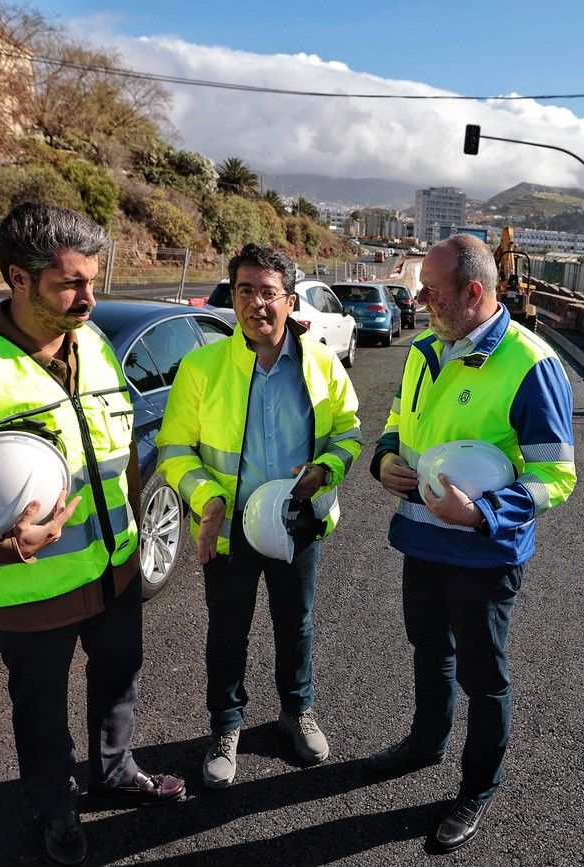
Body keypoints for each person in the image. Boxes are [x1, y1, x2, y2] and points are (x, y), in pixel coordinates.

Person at [0, 202, 184, 867]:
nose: (89, 297)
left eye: (93, 280)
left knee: (120, 676)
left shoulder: (98, 345)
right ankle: (54, 805)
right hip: (30, 586)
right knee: (42, 710)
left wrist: (137, 536)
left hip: (115, 568)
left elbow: (121, 460)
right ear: (18, 279)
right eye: (71, 283)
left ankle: (115, 769)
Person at [368, 234, 576, 853]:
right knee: (430, 649)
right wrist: (384, 460)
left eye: (432, 289)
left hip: (484, 554)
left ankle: (477, 787)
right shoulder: (426, 348)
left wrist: (483, 512)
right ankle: (427, 742)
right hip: (423, 541)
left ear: (475, 292)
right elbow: (400, 423)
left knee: (484, 677)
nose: (420, 296)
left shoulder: (531, 364)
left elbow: (556, 475)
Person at [156, 243, 362, 789]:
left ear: (289, 300)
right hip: (228, 530)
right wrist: (208, 502)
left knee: (296, 625)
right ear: (234, 298)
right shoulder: (202, 368)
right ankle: (226, 727)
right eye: (245, 290)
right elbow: (174, 449)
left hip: (298, 523)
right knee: (227, 633)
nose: (256, 303)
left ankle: (297, 712)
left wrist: (325, 469)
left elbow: (349, 432)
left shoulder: (321, 360)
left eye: (268, 292)